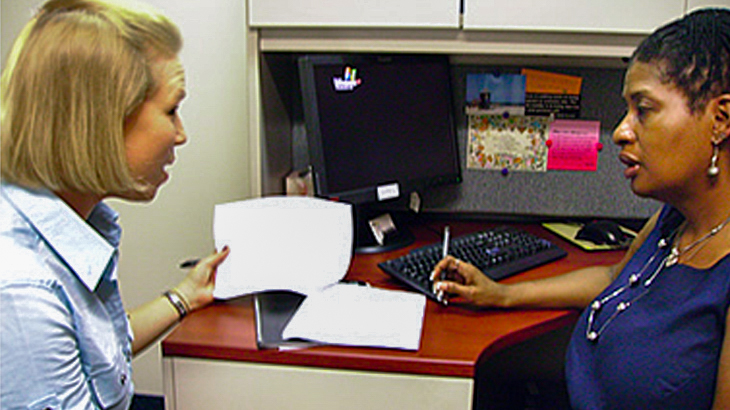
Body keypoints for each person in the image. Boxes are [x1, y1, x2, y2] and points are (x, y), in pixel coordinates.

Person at [433, 8, 730, 410]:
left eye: (643, 110)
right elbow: (616, 276)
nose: (622, 131)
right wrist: (501, 294)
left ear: (720, 119)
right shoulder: (674, 220)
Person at [0, 0, 230, 408]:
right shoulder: (22, 291)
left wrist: (184, 296)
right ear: (101, 121)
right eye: (171, 110)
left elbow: (103, 353)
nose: (181, 135)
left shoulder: (71, 221)